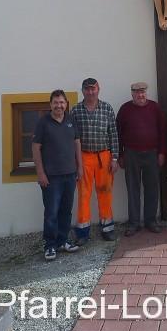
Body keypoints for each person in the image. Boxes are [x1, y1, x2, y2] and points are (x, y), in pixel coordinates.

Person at [32, 89, 83, 261]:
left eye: (62, 102)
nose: (59, 105)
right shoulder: (43, 122)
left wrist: (80, 168)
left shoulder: (70, 120)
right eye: (56, 102)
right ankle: (50, 246)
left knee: (66, 211)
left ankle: (63, 241)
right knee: (51, 212)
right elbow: (35, 148)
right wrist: (40, 172)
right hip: (51, 177)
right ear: (50, 104)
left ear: (66, 104)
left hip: (70, 174)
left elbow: (77, 144)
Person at [71, 78, 119, 243]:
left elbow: (113, 134)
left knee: (105, 193)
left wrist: (114, 158)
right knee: (84, 194)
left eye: (93, 89)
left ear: (99, 89)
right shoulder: (76, 110)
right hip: (84, 156)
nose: (90, 92)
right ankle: (83, 232)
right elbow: (72, 138)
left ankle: (107, 228)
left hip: (104, 156)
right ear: (82, 90)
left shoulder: (106, 108)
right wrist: (75, 161)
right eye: (87, 89)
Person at [116, 82, 166, 236]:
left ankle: (151, 221)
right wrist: (120, 154)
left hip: (152, 153)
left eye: (142, 92)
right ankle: (134, 223)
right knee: (132, 189)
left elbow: (162, 131)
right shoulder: (125, 109)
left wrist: (162, 152)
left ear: (146, 93)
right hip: (131, 154)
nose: (140, 95)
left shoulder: (155, 107)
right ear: (132, 94)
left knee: (152, 188)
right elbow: (117, 133)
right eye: (137, 92)